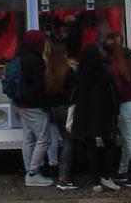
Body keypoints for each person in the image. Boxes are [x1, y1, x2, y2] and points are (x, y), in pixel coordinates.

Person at [58, 45, 120, 191]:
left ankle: (96, 181)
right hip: (103, 113)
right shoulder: (105, 73)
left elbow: (72, 95)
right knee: (109, 143)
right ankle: (107, 175)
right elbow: (113, 94)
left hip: (84, 113)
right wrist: (115, 113)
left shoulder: (79, 74)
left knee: (90, 147)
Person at [15, 29, 56, 187]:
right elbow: (39, 85)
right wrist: (45, 103)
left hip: (21, 103)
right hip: (34, 105)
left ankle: (29, 169)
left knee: (28, 138)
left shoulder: (21, 56)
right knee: (44, 139)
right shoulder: (36, 59)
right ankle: (33, 173)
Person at [103, 33, 131, 187]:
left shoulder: (114, 67)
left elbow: (118, 90)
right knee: (128, 140)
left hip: (124, 106)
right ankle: (122, 171)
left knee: (129, 141)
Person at [43, 38, 73, 185]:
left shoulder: (48, 71)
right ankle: (64, 177)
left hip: (53, 109)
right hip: (65, 108)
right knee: (69, 142)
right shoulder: (68, 70)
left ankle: (55, 167)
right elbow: (73, 91)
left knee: (56, 137)